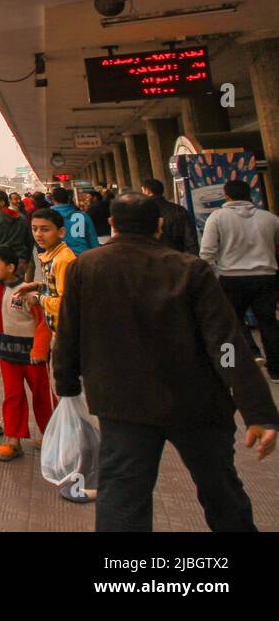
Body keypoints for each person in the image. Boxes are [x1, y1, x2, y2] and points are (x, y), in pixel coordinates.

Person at [54, 193, 278, 532]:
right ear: (159, 226)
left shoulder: (86, 267)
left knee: (123, 498)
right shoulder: (191, 269)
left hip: (123, 404)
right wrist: (257, 410)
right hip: (197, 405)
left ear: (112, 225)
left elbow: (68, 332)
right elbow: (226, 346)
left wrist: (66, 384)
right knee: (221, 491)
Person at [0, 246, 53, 462]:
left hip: (33, 356)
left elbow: (43, 323)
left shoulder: (28, 291)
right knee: (12, 396)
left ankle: (51, 435)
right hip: (7, 354)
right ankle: (13, 440)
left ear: (10, 267)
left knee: (43, 396)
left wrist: (40, 350)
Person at [200, 179, 279, 381]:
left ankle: (248, 355)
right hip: (266, 277)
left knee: (232, 320)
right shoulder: (270, 218)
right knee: (268, 322)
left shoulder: (217, 218)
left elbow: (207, 252)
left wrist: (210, 274)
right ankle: (276, 369)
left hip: (231, 278)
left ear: (227, 196)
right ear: (249, 194)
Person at [20, 208, 76, 333]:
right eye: (34, 229)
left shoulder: (62, 260)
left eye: (45, 229)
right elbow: (55, 288)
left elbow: (65, 304)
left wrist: (37, 298)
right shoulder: (51, 256)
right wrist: (39, 286)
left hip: (66, 332)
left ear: (61, 232)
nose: (38, 234)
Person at [141, 178, 199, 255]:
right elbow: (190, 239)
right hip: (179, 258)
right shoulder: (179, 210)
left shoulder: (143, 212)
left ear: (148, 191)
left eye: (142, 191)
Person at [0, 189, 33, 273]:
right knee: (18, 285)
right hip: (20, 260)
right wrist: (26, 259)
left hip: (0, 261)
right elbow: (29, 240)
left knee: (2, 286)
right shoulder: (21, 217)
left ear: (2, 203)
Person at [49, 187, 99, 256]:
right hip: (83, 255)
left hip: (60, 258)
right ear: (68, 198)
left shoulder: (48, 217)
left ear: (52, 199)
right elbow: (93, 240)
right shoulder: (83, 216)